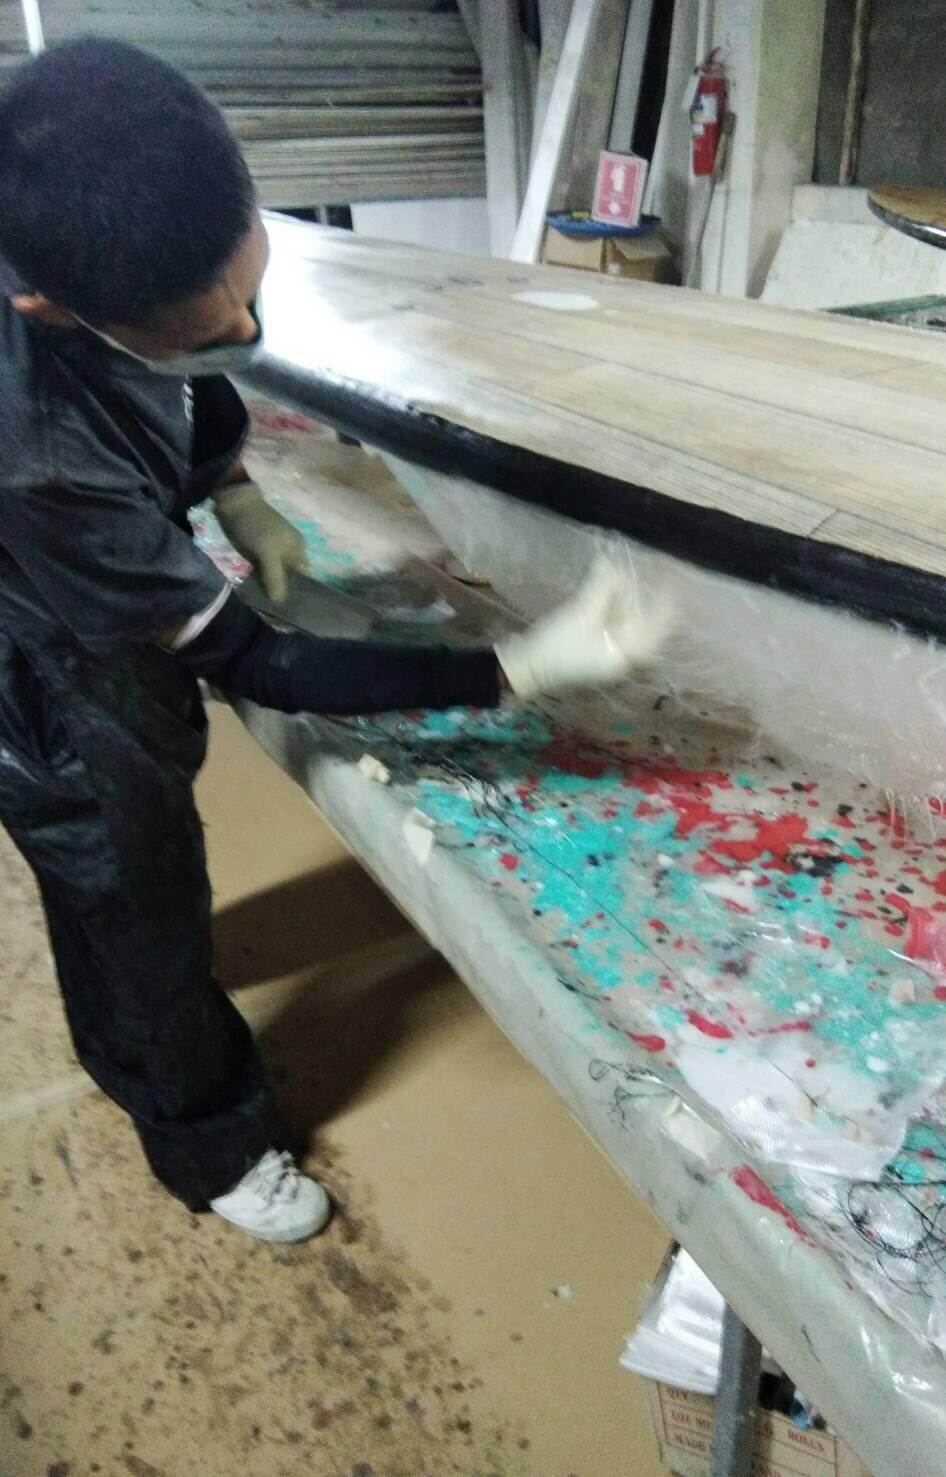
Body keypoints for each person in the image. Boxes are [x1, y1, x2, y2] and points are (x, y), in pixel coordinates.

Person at [0, 40, 665, 1242]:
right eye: (208, 323)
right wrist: (510, 668)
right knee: (123, 877)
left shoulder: (108, 241)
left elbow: (193, 362)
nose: (245, 325)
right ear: (50, 306)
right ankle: (204, 1140)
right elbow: (260, 662)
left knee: (125, 888)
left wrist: (233, 484)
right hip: (44, 660)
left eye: (249, 284)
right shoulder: (40, 450)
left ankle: (130, 1009)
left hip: (81, 549)